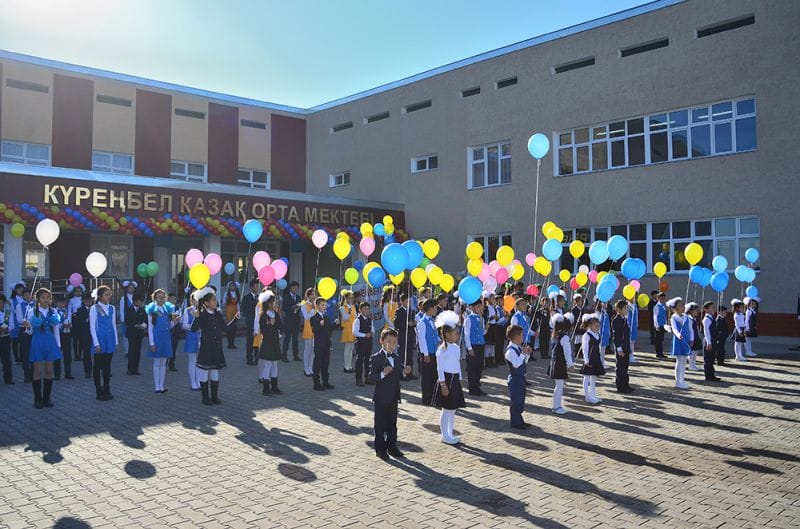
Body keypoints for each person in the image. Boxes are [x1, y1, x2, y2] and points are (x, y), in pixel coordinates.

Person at [369, 328, 411, 460]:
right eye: (389, 342)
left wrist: (405, 372)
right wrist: (382, 373)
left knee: (392, 424)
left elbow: (399, 374)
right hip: (381, 398)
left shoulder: (397, 358)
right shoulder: (376, 358)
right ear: (381, 341)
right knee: (380, 424)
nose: (391, 345)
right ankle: (380, 449)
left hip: (393, 396)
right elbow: (371, 378)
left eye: (394, 342)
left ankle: (392, 447)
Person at [25, 288, 62, 408]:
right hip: (37, 342)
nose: (46, 300)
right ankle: (37, 399)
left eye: (48, 297)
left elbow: (56, 330)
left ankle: (47, 398)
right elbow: (29, 332)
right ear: (38, 299)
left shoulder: (53, 311)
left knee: (49, 371)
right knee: (37, 371)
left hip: (50, 342)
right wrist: (27, 326)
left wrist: (58, 345)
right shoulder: (32, 311)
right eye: (43, 297)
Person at [192, 287, 227, 405]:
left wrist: (235, 319)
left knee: (215, 372)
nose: (215, 302)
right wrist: (196, 318)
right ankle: (205, 398)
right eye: (212, 300)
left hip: (216, 347)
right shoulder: (202, 314)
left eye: (215, 300)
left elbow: (225, 328)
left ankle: (214, 397)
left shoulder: (217, 313)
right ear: (206, 303)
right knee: (204, 372)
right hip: (206, 348)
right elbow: (193, 329)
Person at [434, 310, 465, 444]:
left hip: (454, 378)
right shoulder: (442, 349)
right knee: (446, 409)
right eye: (455, 333)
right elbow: (440, 368)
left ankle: (450, 433)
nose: (457, 336)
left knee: (453, 408)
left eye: (458, 333)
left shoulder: (456, 348)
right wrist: (443, 384)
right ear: (447, 334)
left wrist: (460, 378)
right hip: (446, 380)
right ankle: (444, 435)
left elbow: (457, 364)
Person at [147, 289, 179, 394]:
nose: (161, 299)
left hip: (166, 338)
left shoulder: (167, 310)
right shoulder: (152, 310)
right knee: (157, 363)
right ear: (154, 298)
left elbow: (169, 326)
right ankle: (157, 387)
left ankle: (162, 386)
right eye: (159, 297)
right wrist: (151, 343)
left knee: (163, 363)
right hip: (156, 338)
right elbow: (150, 328)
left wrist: (175, 322)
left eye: (163, 297)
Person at [90, 286, 118, 401]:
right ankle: (98, 390)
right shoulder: (94, 308)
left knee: (107, 367)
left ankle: (107, 389)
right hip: (100, 340)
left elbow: (114, 325)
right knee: (98, 366)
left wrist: (115, 341)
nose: (109, 296)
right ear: (100, 296)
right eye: (106, 294)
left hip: (109, 339)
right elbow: (92, 326)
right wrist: (96, 343)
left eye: (110, 294)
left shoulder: (112, 308)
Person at [504, 324, 530, 428]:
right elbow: (516, 364)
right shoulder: (510, 351)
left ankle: (519, 419)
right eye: (522, 335)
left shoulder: (518, 348)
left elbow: (524, 362)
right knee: (516, 401)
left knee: (520, 399)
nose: (523, 337)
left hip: (521, 378)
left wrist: (527, 354)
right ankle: (515, 422)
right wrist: (523, 354)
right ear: (516, 337)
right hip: (515, 379)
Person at [549, 313, 575, 414]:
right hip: (559, 364)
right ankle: (556, 407)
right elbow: (567, 353)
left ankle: (557, 405)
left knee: (558, 385)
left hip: (555, 362)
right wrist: (571, 365)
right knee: (559, 386)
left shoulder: (555, 335)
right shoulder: (564, 338)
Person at [258, 291, 282, 396]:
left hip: (275, 341)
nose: (275, 303)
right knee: (267, 364)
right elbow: (263, 330)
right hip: (267, 342)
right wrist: (270, 325)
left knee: (275, 364)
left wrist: (275, 323)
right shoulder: (263, 315)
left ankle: (275, 387)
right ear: (268, 304)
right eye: (273, 302)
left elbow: (281, 326)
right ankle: (266, 388)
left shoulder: (275, 314)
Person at [416, 299, 438, 404]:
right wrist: (425, 354)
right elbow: (422, 339)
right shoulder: (422, 322)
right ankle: (426, 398)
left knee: (434, 375)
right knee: (426, 376)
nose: (436, 310)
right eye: (435, 308)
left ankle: (433, 397)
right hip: (427, 353)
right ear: (430, 309)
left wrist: (440, 341)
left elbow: (435, 335)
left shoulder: (433, 320)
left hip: (434, 351)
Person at [310, 297, 335, 391]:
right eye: (322, 305)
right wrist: (320, 325)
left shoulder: (326, 317)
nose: (324, 307)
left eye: (325, 305)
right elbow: (315, 330)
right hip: (319, 344)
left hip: (327, 343)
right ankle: (316, 384)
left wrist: (335, 324)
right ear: (317, 306)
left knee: (326, 363)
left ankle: (325, 382)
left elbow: (329, 329)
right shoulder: (314, 318)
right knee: (317, 363)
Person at [579, 314, 605, 404]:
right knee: (586, 378)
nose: (598, 327)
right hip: (589, 359)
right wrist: (586, 360)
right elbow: (585, 349)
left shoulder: (597, 334)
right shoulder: (587, 335)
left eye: (598, 326)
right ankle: (587, 396)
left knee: (594, 377)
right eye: (596, 326)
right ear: (590, 325)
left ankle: (593, 395)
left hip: (596, 358)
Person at [463, 300, 487, 396]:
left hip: (481, 344)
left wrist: (486, 329)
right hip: (473, 345)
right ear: (472, 308)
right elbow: (466, 334)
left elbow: (482, 332)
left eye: (481, 307)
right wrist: (469, 348)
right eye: (478, 307)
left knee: (479, 366)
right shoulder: (468, 319)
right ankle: (472, 388)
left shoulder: (482, 319)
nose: (480, 308)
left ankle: (477, 385)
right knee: (472, 367)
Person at [668, 297, 692, 389]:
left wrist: (692, 339)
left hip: (686, 340)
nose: (683, 306)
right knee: (680, 360)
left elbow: (690, 329)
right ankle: (678, 381)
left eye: (683, 305)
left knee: (685, 360)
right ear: (675, 308)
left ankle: (682, 380)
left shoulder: (686, 317)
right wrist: (678, 335)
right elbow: (674, 328)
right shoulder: (674, 317)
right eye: (680, 305)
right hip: (679, 340)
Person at [611, 300, 635, 394]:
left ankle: (626, 384)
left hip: (626, 346)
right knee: (620, 367)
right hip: (621, 348)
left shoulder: (624, 319)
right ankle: (620, 386)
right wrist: (619, 349)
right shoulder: (616, 320)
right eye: (624, 308)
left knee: (625, 367)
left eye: (626, 308)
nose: (626, 310)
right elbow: (616, 336)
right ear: (618, 309)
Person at [394, 293, 417, 380]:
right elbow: (396, 324)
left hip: (410, 336)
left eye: (409, 301)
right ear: (402, 302)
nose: (408, 303)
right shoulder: (399, 311)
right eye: (407, 301)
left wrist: (414, 323)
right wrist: (407, 324)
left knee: (410, 356)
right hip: (403, 336)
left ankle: (409, 372)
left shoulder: (411, 311)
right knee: (403, 356)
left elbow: (413, 322)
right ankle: (402, 373)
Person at [352, 301, 374, 387]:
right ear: (360, 310)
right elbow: (354, 332)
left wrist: (372, 332)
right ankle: (358, 378)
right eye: (365, 308)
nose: (367, 310)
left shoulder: (369, 319)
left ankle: (367, 377)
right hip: (360, 342)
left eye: (368, 309)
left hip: (369, 342)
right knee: (359, 360)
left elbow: (372, 329)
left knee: (368, 360)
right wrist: (365, 335)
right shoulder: (357, 320)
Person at [181, 294, 201, 390]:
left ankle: (199, 381)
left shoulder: (203, 310)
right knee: (192, 360)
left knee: (199, 361)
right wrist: (194, 324)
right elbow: (184, 325)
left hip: (201, 337)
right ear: (191, 300)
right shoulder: (187, 310)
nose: (196, 301)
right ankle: (193, 382)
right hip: (192, 336)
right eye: (195, 300)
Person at [72, 292, 93, 378]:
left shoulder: (95, 308)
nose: (88, 302)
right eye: (86, 301)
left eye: (90, 301)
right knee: (86, 353)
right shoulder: (80, 310)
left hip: (95, 334)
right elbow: (78, 323)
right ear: (83, 301)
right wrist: (85, 320)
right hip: (85, 334)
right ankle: (87, 372)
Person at [125, 294, 147, 376]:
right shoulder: (129, 310)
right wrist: (135, 325)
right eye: (139, 301)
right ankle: (130, 369)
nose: (140, 303)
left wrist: (144, 325)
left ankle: (136, 369)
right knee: (132, 351)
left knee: (138, 352)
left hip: (139, 334)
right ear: (135, 301)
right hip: (131, 333)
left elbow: (145, 319)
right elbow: (127, 322)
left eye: (141, 302)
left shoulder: (142, 310)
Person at [53, 295, 73, 380]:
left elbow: (70, 319)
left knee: (67, 354)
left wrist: (69, 324)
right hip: (57, 334)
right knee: (57, 354)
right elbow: (54, 323)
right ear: (56, 303)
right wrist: (62, 325)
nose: (62, 304)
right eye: (60, 303)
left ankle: (68, 373)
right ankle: (57, 374)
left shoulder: (68, 311)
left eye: (63, 303)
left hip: (66, 334)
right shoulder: (54, 311)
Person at [281, 281, 302, 362]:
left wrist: (298, 308)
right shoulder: (286, 297)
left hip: (296, 320)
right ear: (290, 288)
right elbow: (284, 308)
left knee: (295, 339)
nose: (295, 290)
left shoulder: (299, 297)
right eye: (294, 288)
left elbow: (300, 308)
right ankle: (284, 355)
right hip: (288, 320)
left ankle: (296, 355)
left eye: (297, 288)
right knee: (287, 338)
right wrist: (292, 307)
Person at [701, 301, 722, 382]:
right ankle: (708, 376)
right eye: (711, 307)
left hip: (712, 340)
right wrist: (709, 343)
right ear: (706, 309)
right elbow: (706, 332)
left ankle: (711, 374)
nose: (713, 309)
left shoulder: (711, 317)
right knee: (708, 359)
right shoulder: (706, 319)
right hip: (708, 341)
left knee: (711, 358)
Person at [240, 279, 259, 366]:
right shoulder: (246, 298)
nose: (257, 288)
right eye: (255, 286)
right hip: (250, 322)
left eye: (257, 286)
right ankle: (249, 358)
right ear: (251, 287)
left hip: (258, 322)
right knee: (250, 341)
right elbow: (243, 309)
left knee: (257, 341)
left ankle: (257, 357)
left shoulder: (260, 297)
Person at [119, 280, 137, 357]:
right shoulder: (123, 298)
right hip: (127, 319)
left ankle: (133, 349)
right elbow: (121, 309)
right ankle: (127, 351)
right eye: (130, 288)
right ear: (127, 289)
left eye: (133, 288)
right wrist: (123, 319)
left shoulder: (136, 297)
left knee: (134, 335)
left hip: (135, 319)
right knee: (126, 336)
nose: (131, 289)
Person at [8, 282, 25, 365]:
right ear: (15, 290)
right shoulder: (11, 300)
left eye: (21, 288)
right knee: (15, 340)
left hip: (23, 321)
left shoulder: (24, 298)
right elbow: (11, 311)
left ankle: (22, 357)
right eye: (18, 289)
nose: (20, 290)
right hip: (14, 321)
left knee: (22, 340)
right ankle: (16, 358)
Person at [67, 284, 86, 361]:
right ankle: (75, 355)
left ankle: (80, 354)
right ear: (74, 292)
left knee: (81, 338)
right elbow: (69, 311)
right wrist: (69, 321)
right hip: (75, 320)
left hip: (82, 320)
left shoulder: (84, 300)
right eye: (77, 291)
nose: (78, 293)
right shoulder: (71, 300)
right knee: (75, 339)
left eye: (80, 291)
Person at [339, 290, 356, 373]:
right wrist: (349, 312)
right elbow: (345, 318)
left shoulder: (353, 306)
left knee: (351, 348)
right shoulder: (342, 307)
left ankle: (350, 366)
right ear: (345, 298)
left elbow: (356, 317)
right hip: (347, 329)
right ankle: (346, 366)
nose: (351, 300)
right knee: (347, 348)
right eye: (349, 298)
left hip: (353, 329)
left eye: (352, 298)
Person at [301, 288, 316, 376]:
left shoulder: (315, 305)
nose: (314, 297)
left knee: (313, 350)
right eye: (312, 295)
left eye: (315, 295)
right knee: (308, 350)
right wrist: (313, 310)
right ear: (308, 295)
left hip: (315, 329)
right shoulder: (304, 305)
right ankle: (306, 368)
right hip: (308, 329)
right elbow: (306, 317)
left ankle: (311, 367)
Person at [0, 295, 14, 384]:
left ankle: (8, 379)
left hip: (5, 338)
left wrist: (7, 329)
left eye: (0, 302)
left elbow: (12, 325)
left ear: (4, 303)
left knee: (6, 359)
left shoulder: (8, 313)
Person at [223, 282, 241, 350]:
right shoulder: (226, 294)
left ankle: (233, 343)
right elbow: (224, 303)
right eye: (231, 286)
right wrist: (227, 299)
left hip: (235, 312)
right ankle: (229, 343)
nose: (232, 287)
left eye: (233, 286)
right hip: (229, 312)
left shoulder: (237, 294)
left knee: (234, 328)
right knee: (230, 327)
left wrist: (239, 312)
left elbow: (238, 304)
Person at [686, 303, 702, 371]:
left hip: (696, 336)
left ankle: (693, 364)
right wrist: (691, 339)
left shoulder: (694, 319)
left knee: (695, 351)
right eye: (696, 310)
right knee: (692, 352)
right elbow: (690, 330)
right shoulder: (689, 319)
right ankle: (691, 365)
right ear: (691, 311)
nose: (697, 312)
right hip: (692, 337)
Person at [167, 293, 181, 372]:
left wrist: (178, 319)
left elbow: (180, 319)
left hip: (175, 329)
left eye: (174, 299)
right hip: (168, 329)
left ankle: (171, 364)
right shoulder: (166, 308)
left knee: (174, 347)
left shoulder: (177, 308)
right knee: (167, 346)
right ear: (168, 299)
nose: (173, 301)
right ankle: (165, 363)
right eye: (171, 299)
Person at [652, 292, 668, 359]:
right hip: (659, 326)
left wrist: (666, 324)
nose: (663, 299)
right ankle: (658, 353)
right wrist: (657, 325)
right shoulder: (657, 306)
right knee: (658, 340)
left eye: (664, 298)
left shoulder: (662, 306)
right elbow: (655, 316)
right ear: (658, 298)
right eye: (661, 298)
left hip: (662, 325)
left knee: (661, 340)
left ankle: (661, 352)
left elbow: (664, 316)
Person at [627, 296, 639, 364]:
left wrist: (636, 324)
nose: (633, 299)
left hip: (634, 325)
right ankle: (629, 356)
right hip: (629, 325)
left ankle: (632, 355)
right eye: (631, 297)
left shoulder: (635, 305)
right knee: (630, 341)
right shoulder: (627, 306)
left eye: (634, 297)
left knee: (633, 341)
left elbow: (636, 316)